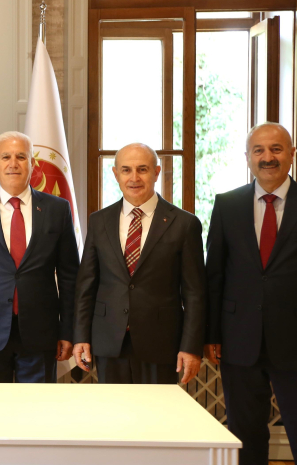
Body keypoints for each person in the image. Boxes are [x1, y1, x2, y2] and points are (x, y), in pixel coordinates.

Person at [205, 123, 297, 465]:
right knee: (245, 432)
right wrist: (211, 334)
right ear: (247, 157)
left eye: (276, 149)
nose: (267, 157)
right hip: (238, 339)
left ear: (291, 154)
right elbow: (214, 274)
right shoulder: (227, 204)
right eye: (258, 150)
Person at [0, 131, 79, 383]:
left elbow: (69, 277)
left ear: (32, 163)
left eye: (21, 156)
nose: (13, 163)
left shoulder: (57, 209)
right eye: (6, 157)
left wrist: (68, 330)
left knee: (37, 405)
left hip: (41, 331)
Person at [73, 143, 205, 385]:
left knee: (157, 409)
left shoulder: (184, 224)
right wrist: (81, 336)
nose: (134, 178)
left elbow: (195, 293)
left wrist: (191, 347)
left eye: (142, 169)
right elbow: (86, 286)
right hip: (108, 340)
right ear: (116, 174)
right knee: (112, 408)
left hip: (161, 343)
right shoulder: (99, 221)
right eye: (126, 170)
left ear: (156, 172)